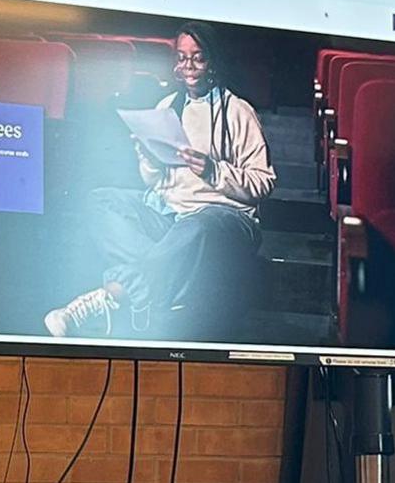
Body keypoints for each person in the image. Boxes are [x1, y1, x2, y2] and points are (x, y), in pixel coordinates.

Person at [44, 21, 276, 337]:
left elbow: (262, 183)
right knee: (99, 200)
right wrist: (149, 158)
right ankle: (156, 283)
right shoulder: (168, 106)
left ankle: (111, 297)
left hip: (223, 218)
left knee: (196, 226)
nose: (188, 66)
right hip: (170, 213)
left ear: (213, 61)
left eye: (198, 57)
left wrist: (212, 170)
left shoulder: (238, 111)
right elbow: (155, 183)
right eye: (182, 57)